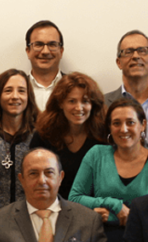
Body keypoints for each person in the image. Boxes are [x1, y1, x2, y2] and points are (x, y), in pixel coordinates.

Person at [70, 98, 148, 242]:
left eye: (130, 122)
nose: (123, 129)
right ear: (109, 127)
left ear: (143, 125)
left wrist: (121, 216)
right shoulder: (96, 154)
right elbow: (74, 198)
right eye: (116, 123)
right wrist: (113, 204)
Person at [30, 72, 106, 200]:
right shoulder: (43, 135)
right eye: (72, 101)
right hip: (52, 209)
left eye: (85, 101)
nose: (79, 108)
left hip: (95, 211)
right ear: (60, 103)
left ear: (93, 105)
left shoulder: (103, 136)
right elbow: (34, 178)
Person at [0, 68, 38, 212]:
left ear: (28, 96)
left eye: (21, 91)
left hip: (30, 218)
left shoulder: (39, 135)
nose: (15, 96)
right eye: (8, 91)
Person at [24, 20, 64, 107]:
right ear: (28, 51)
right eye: (38, 44)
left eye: (52, 44)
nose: (45, 51)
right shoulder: (14, 92)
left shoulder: (78, 89)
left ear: (61, 51)